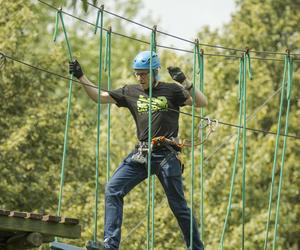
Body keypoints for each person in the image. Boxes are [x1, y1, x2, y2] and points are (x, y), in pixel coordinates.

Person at [69, 51, 207, 250]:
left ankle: (196, 247)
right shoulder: (130, 91)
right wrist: (81, 76)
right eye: (137, 74)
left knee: (178, 206)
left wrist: (185, 81)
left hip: (166, 154)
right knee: (113, 189)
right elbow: (99, 97)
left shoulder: (171, 91)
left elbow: (201, 103)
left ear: (154, 72)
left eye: (144, 74)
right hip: (142, 153)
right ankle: (110, 245)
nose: (140, 78)